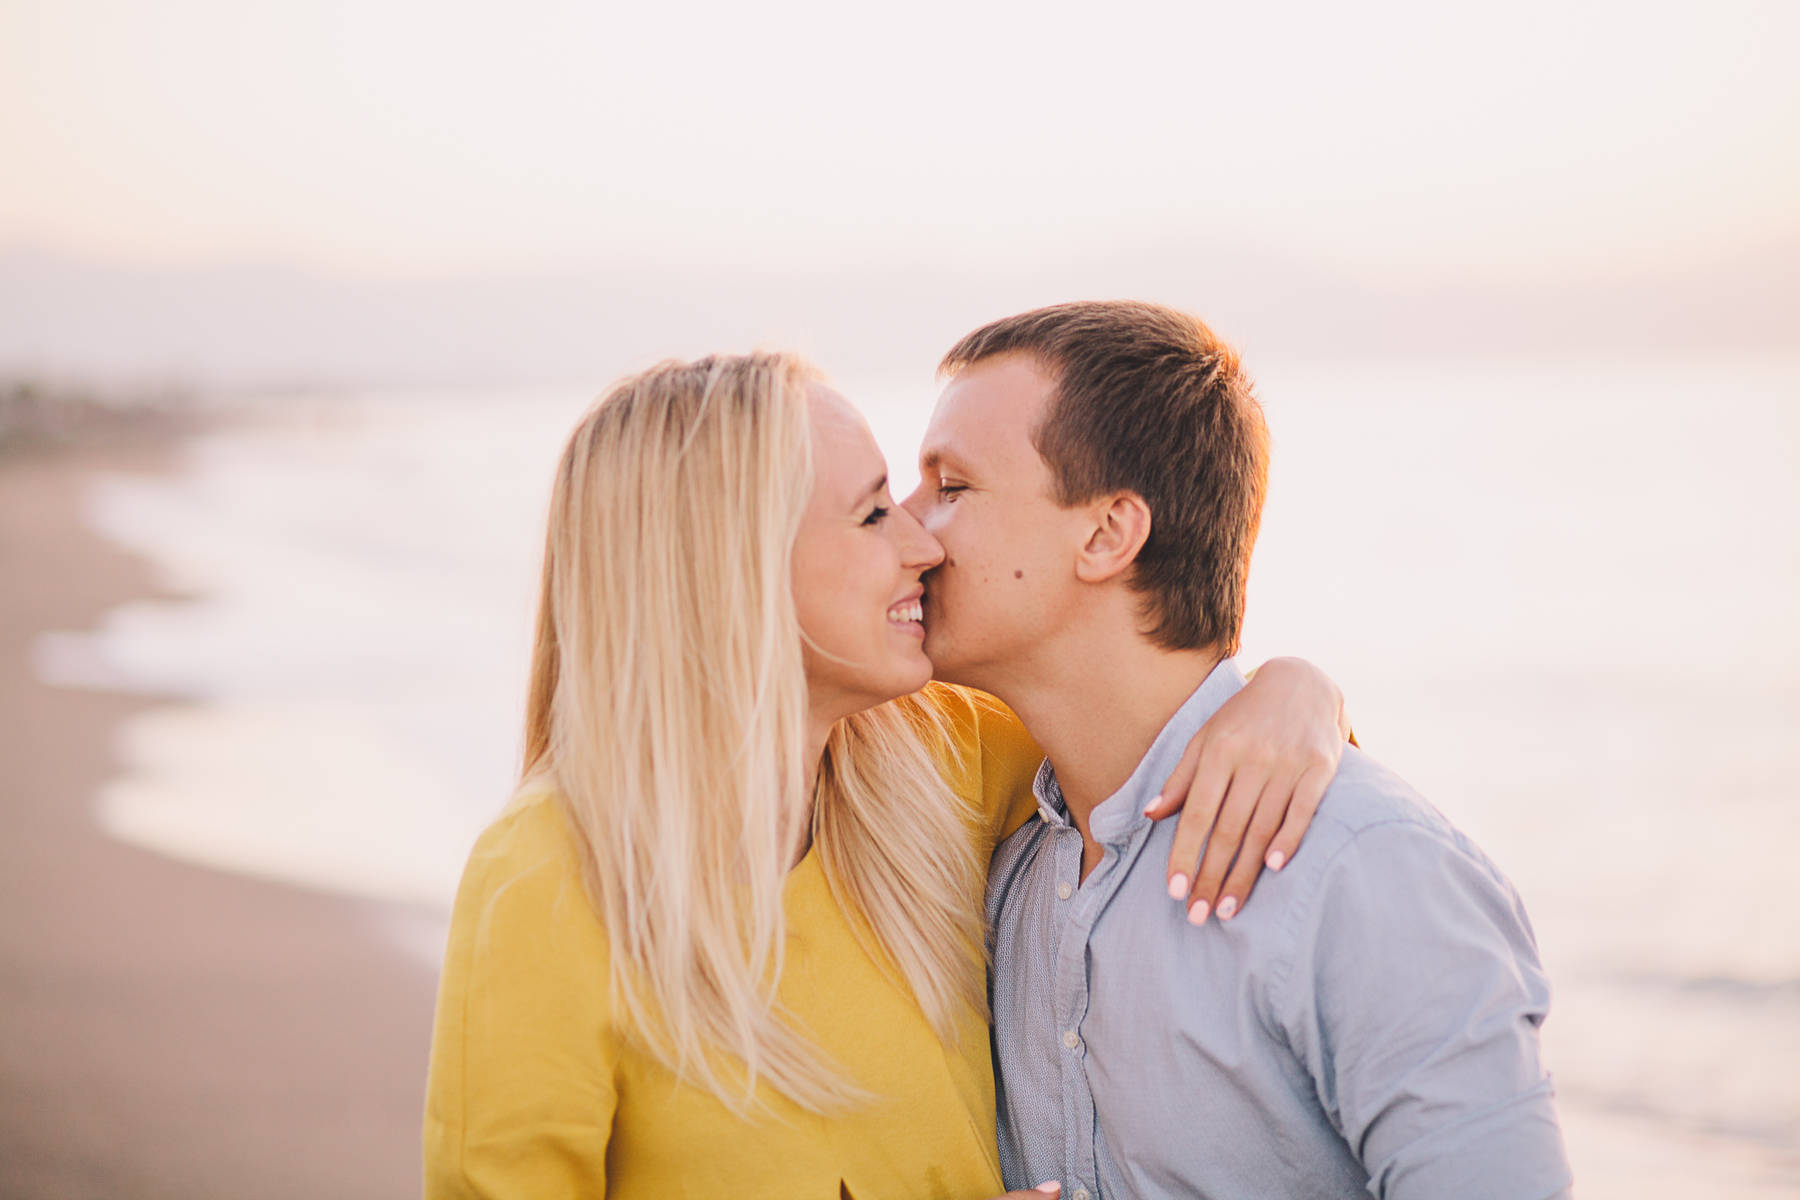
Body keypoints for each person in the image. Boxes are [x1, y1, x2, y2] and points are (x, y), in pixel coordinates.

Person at [422, 353, 1349, 1199]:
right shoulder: (549, 874)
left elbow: (1165, 728)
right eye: (873, 513)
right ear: (732, 568)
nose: (924, 543)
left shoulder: (940, 760)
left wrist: (1295, 692)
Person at [901, 301, 1573, 1200]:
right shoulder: (1002, 857)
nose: (908, 530)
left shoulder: (1367, 872)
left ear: (1106, 534)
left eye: (952, 488)